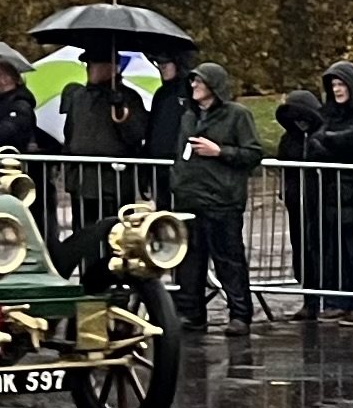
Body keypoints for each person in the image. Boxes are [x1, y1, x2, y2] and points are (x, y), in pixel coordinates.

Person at [170, 63, 263, 337]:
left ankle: (240, 315)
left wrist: (220, 151)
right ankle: (193, 315)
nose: (194, 86)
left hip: (222, 201)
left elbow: (253, 153)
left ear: (214, 86)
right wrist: (178, 181)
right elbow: (181, 153)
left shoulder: (238, 115)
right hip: (190, 199)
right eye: (193, 81)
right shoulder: (189, 116)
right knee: (189, 263)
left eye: (199, 82)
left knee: (229, 260)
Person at [305, 60, 353, 323]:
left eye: (341, 84)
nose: (337, 90)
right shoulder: (330, 113)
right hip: (330, 187)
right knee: (332, 246)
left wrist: (324, 140)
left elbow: (350, 138)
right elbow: (317, 141)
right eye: (334, 85)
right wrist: (324, 141)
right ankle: (337, 299)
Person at [60, 50, 150, 232]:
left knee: (114, 232)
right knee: (83, 232)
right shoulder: (79, 97)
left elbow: (136, 135)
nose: (90, 70)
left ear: (111, 68)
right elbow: (70, 133)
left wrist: (120, 111)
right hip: (82, 180)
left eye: (95, 65)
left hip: (113, 182)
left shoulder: (129, 98)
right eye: (89, 65)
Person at [275, 89, 327, 320]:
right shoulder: (289, 140)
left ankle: (327, 298)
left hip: (321, 203)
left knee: (321, 249)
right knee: (302, 250)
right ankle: (309, 298)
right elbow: (284, 169)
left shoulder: (323, 137)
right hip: (297, 203)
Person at [144, 46, 197, 207]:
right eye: (159, 63)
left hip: (181, 162)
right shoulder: (160, 94)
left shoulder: (190, 90)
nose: (162, 67)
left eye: (166, 63)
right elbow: (152, 129)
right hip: (158, 164)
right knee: (163, 211)